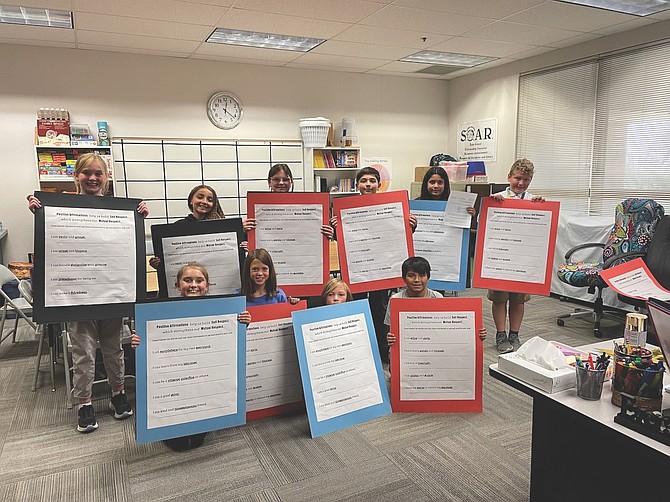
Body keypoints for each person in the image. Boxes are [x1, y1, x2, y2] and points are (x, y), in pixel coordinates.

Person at [27, 152, 149, 433]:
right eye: (87, 173)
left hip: (110, 293)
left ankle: (118, 394)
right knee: (82, 351)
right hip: (77, 295)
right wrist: (39, 212)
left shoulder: (120, 210)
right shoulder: (57, 208)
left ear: (106, 178)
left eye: (99, 173)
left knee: (114, 349)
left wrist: (139, 216)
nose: (93, 178)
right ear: (76, 177)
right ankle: (84, 403)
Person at [132, 262, 250, 450]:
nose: (193, 284)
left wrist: (244, 322)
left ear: (207, 285)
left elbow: (229, 341)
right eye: (187, 280)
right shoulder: (162, 310)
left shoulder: (222, 311)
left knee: (198, 428)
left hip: (203, 374)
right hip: (174, 371)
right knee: (177, 437)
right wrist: (138, 341)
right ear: (177, 286)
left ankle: (197, 426)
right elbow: (150, 339)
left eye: (199, 280)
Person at [489, 158, 545, 354]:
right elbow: (484, 224)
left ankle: (515, 333)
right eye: (518, 178)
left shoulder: (533, 201)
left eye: (526, 180)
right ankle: (500, 334)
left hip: (523, 259)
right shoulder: (497, 198)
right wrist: (492, 206)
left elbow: (541, 229)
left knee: (518, 300)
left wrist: (541, 208)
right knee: (499, 298)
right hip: (500, 258)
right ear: (509, 177)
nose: (521, 184)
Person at [385, 256, 488, 348]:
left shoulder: (437, 297)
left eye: (421, 275)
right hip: (407, 350)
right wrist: (390, 338)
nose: (417, 280)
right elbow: (390, 329)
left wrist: (476, 332)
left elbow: (447, 328)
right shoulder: (395, 300)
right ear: (404, 278)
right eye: (411, 275)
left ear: (428, 277)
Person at [243, 164, 333, 239]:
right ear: (269, 182)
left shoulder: (305, 205)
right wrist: (245, 231)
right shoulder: (259, 207)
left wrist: (329, 233)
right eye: (276, 179)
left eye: (285, 179)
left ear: (291, 182)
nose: (281, 183)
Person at [149, 184, 225, 269]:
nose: (204, 201)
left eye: (210, 200)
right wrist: (159, 263)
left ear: (214, 205)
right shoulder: (178, 227)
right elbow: (171, 257)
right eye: (200, 197)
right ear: (191, 200)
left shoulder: (221, 228)